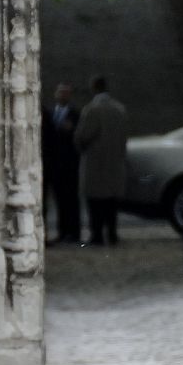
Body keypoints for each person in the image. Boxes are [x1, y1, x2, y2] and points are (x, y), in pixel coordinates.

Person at [74, 75, 127, 245]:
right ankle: (112, 234)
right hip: (115, 163)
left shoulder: (91, 110)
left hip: (95, 163)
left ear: (94, 88)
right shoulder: (119, 109)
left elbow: (82, 136)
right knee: (112, 202)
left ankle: (96, 235)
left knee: (95, 201)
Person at [43, 82, 81, 244]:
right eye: (60, 92)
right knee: (59, 200)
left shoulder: (75, 115)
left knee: (70, 199)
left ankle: (73, 232)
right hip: (54, 165)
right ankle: (62, 231)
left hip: (69, 164)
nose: (62, 95)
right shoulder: (51, 113)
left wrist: (71, 130)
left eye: (66, 93)